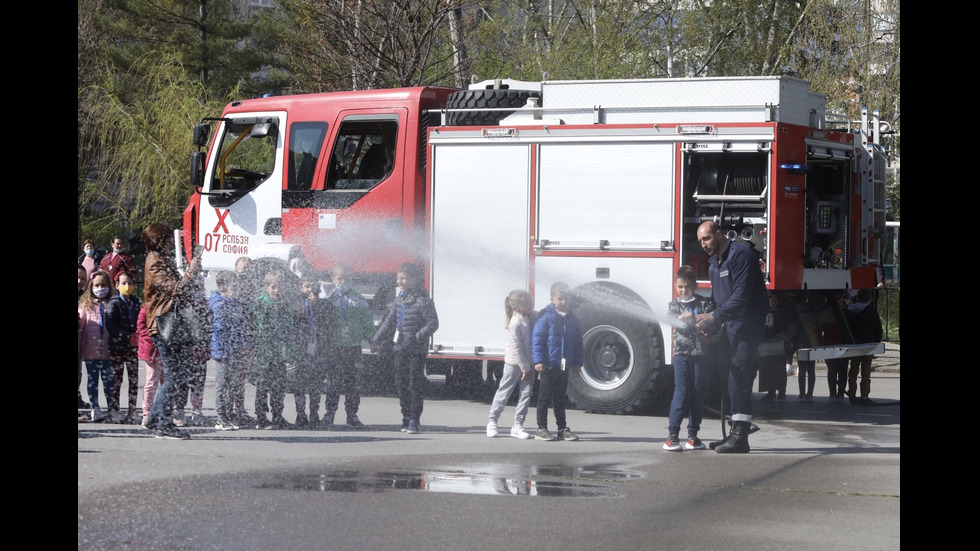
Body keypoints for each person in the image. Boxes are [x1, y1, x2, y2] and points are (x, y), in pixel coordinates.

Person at [694, 221, 769, 454]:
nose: (703, 244)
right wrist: (710, 325)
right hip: (731, 326)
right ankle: (734, 430)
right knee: (728, 376)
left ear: (719, 233)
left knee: (741, 377)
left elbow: (741, 296)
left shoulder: (741, 255)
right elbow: (719, 301)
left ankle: (740, 437)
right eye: (700, 241)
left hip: (748, 325)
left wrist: (715, 318)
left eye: (706, 238)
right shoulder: (713, 264)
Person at [141, 223, 204, 440]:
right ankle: (164, 425)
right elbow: (177, 290)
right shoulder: (155, 263)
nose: (171, 243)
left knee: (176, 374)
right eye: (168, 239)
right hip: (164, 324)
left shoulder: (158, 260)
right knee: (175, 375)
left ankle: (153, 419)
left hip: (168, 322)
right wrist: (191, 271)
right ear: (159, 241)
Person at [371, 262, 439, 434]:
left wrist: (416, 338)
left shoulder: (423, 300)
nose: (399, 281)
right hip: (399, 347)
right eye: (398, 277)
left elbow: (433, 323)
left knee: (414, 383)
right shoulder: (399, 300)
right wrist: (376, 339)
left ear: (414, 279)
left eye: (403, 278)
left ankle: (415, 419)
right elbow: (389, 321)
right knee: (401, 383)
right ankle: (406, 416)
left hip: (416, 350)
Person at [662, 266, 715, 451]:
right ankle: (672, 436)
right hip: (681, 356)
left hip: (700, 356)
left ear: (694, 286)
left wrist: (705, 331)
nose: (683, 291)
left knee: (698, 394)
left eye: (687, 287)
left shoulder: (704, 304)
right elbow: (670, 319)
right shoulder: (674, 305)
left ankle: (693, 436)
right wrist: (680, 317)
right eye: (680, 287)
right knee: (681, 393)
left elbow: (712, 326)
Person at [323, 263, 374, 428]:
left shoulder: (359, 299)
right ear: (333, 279)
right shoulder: (328, 300)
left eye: (346, 278)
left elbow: (367, 322)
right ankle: (329, 414)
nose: (343, 282)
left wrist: (373, 340)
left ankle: (352, 415)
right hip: (335, 347)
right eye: (340, 279)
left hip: (353, 347)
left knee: (352, 382)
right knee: (333, 382)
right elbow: (322, 324)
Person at [531, 282, 584, 442]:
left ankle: (562, 428)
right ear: (552, 299)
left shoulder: (573, 319)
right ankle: (541, 428)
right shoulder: (546, 316)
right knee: (544, 397)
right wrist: (539, 360)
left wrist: (577, 363)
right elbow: (537, 339)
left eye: (566, 298)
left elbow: (578, 343)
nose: (563, 302)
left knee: (560, 398)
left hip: (564, 365)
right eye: (559, 298)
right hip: (548, 364)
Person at [486, 289, 535, 439]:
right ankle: (492, 422)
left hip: (528, 364)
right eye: (527, 304)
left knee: (526, 395)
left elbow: (541, 314)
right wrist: (525, 368)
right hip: (514, 364)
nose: (530, 307)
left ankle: (518, 425)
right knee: (504, 391)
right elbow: (517, 348)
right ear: (516, 307)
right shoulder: (515, 322)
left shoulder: (529, 316)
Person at [253, 270, 295, 430]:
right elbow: (260, 326)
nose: (277, 290)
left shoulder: (285, 303)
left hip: (280, 352)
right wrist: (267, 346)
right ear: (267, 287)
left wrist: (290, 351)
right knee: (263, 385)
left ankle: (278, 415)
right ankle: (261, 417)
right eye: (273, 287)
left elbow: (290, 328)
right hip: (266, 352)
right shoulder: (261, 302)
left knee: (279, 385)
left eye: (279, 287)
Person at [209, 270, 249, 430]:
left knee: (232, 385)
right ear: (223, 286)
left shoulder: (233, 302)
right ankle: (221, 418)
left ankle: (228, 415)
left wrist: (243, 344)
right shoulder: (218, 304)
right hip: (223, 350)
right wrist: (233, 341)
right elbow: (221, 328)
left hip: (234, 350)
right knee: (222, 384)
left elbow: (240, 326)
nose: (236, 286)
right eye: (233, 283)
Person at [291, 275, 329, 429]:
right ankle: (301, 415)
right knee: (300, 384)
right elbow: (294, 321)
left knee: (316, 384)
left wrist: (316, 305)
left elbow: (327, 322)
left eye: (312, 286)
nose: (310, 290)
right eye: (307, 286)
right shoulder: (297, 304)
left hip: (317, 350)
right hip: (301, 349)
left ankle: (314, 414)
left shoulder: (324, 304)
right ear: (301, 288)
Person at [104, 271, 142, 423]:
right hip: (118, 347)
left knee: (134, 379)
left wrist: (137, 335)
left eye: (130, 283)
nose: (127, 286)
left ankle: (132, 410)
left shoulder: (135, 301)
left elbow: (140, 321)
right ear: (117, 285)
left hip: (132, 347)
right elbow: (111, 325)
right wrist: (127, 336)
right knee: (117, 379)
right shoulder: (114, 303)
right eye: (124, 283)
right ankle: (115, 409)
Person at [79, 270, 116, 422]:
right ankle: (95, 407)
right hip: (90, 351)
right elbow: (80, 327)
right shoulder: (85, 304)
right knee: (92, 381)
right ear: (91, 287)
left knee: (108, 381)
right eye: (97, 285)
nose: (100, 288)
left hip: (108, 351)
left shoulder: (113, 303)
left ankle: (111, 408)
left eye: (103, 285)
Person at [844, 288, 883, 406]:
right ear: (870, 298)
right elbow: (878, 328)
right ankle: (864, 395)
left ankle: (852, 393)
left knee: (853, 370)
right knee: (866, 371)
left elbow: (846, 327)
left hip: (854, 344)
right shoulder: (871, 310)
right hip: (868, 344)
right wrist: (877, 342)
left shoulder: (850, 310)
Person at [231, 256, 258, 426]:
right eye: (243, 269)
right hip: (234, 341)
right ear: (236, 271)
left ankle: (240, 410)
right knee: (230, 378)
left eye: (249, 269)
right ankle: (228, 411)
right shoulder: (233, 289)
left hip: (247, 340)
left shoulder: (253, 290)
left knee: (241, 379)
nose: (246, 273)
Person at [136, 303, 163, 428]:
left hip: (166, 350)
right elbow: (141, 327)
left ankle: (164, 412)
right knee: (151, 382)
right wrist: (154, 339)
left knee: (166, 382)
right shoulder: (146, 308)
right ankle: (147, 412)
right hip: (152, 350)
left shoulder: (166, 305)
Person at [78, 265, 91, 412]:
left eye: (82, 278)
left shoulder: (85, 296)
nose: (79, 281)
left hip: (81, 340)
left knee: (78, 373)